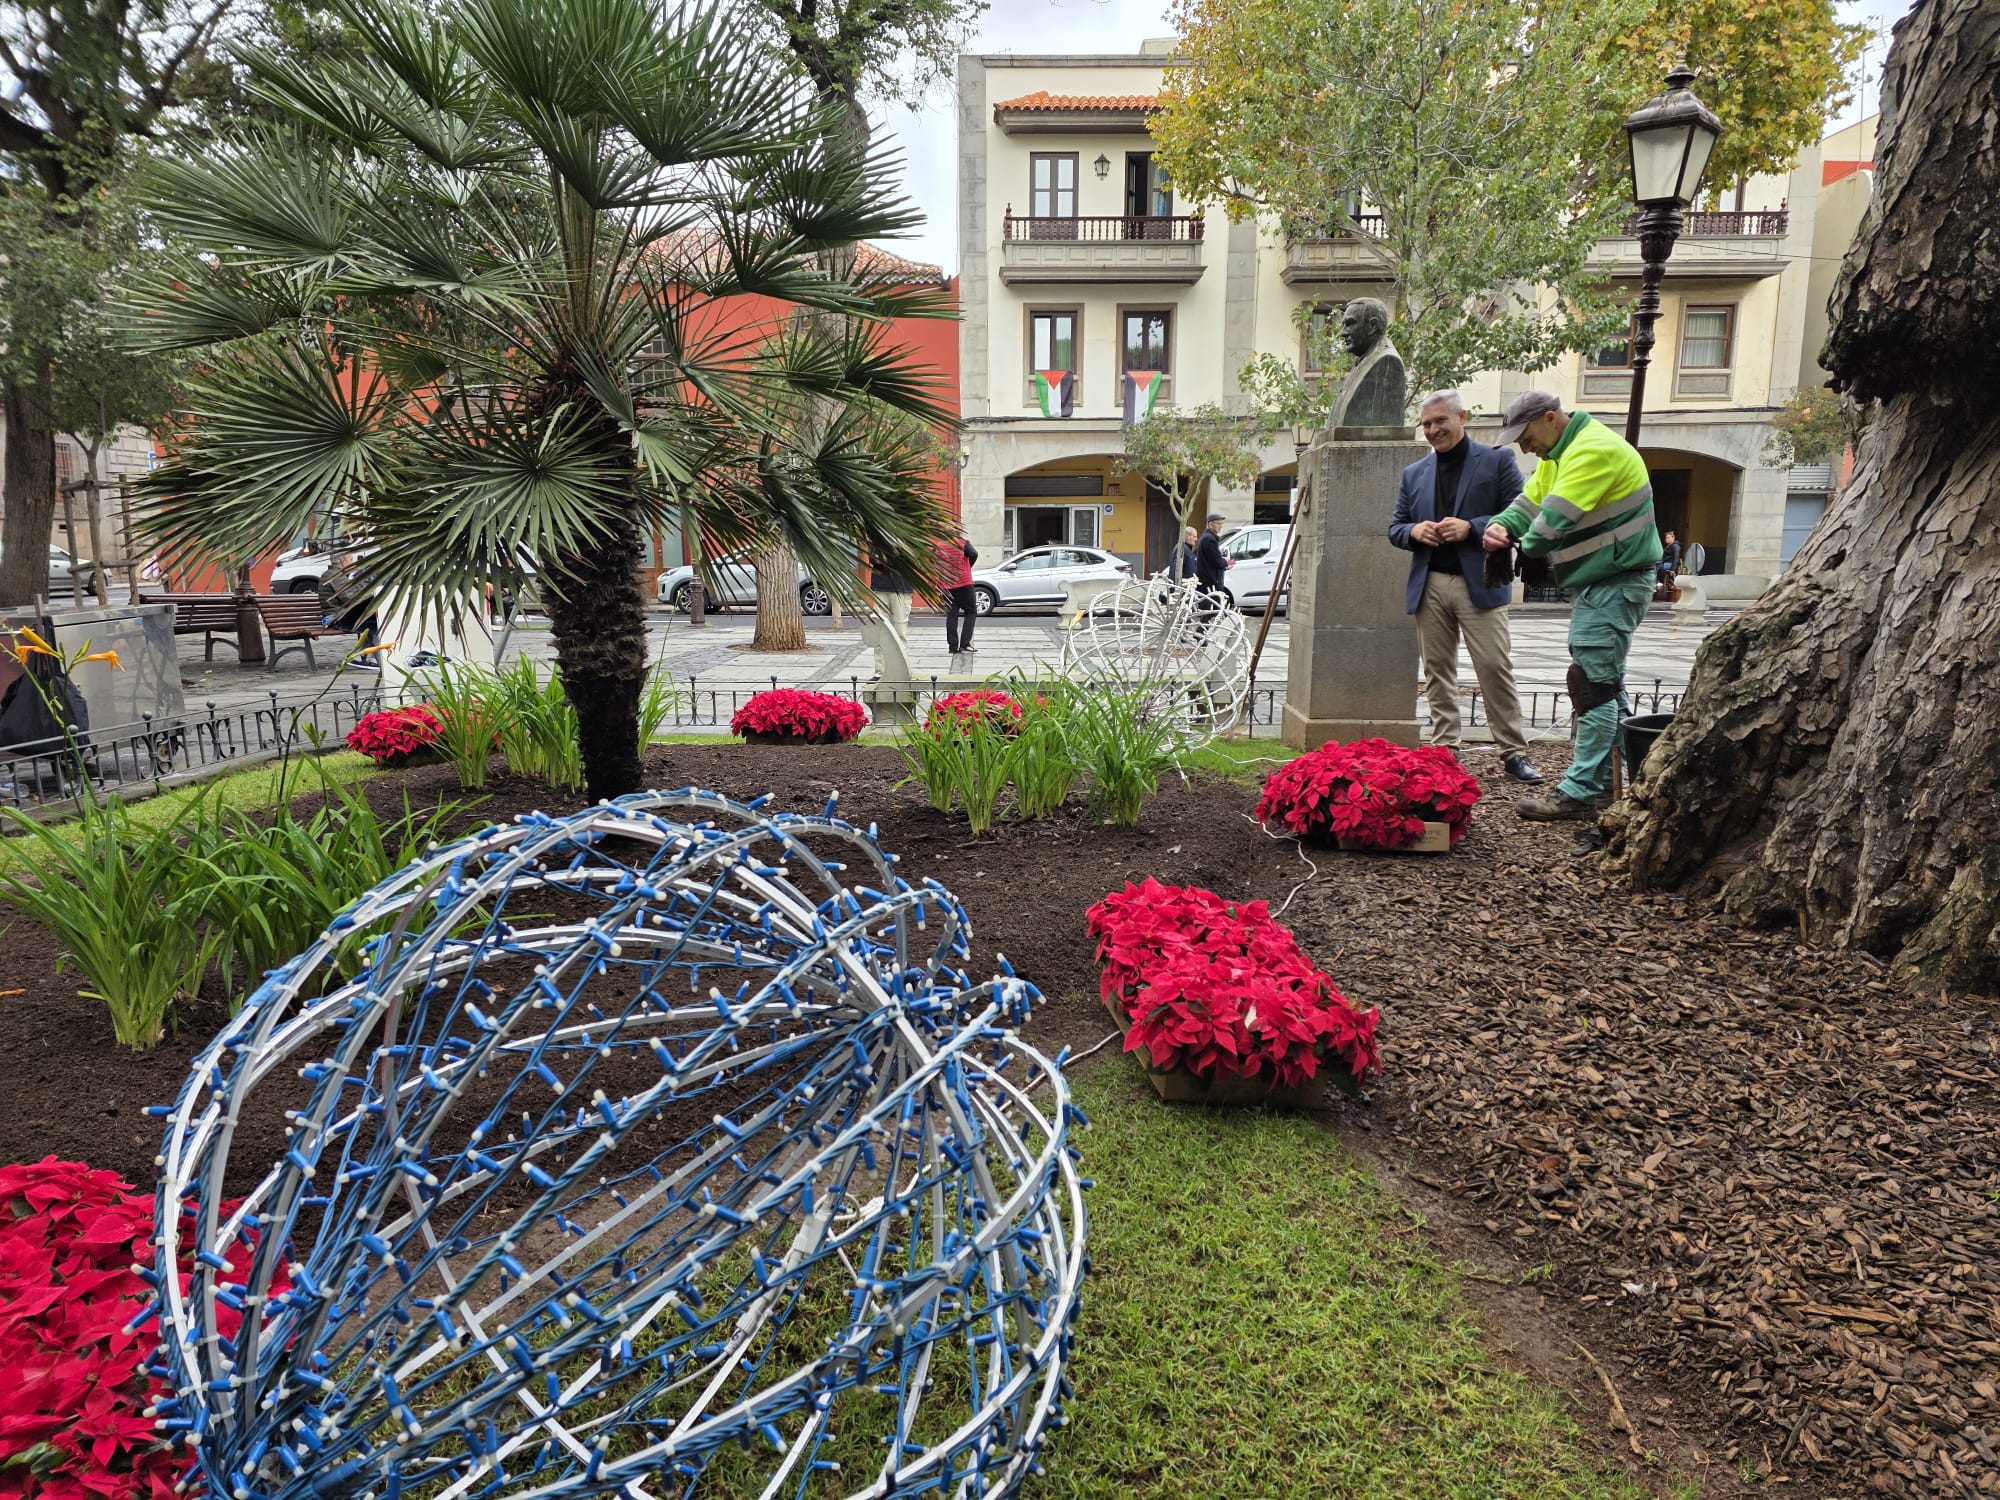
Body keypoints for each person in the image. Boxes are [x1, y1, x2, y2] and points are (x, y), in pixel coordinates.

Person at [1482, 390, 1661, 820]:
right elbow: (1529, 503)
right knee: (1605, 688)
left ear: (1549, 418)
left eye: (1525, 436)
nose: (1524, 447)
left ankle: (1580, 793)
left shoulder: (1593, 450)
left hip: (1616, 581)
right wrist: (1500, 526)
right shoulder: (1558, 457)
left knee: (1592, 687)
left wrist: (1518, 543)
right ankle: (1621, 782)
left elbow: (1551, 521)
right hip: (1603, 583)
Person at [1389, 389, 1540, 783]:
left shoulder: (1497, 460)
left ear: (1462, 417)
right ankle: (1445, 748)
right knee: (1438, 670)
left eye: (1440, 421)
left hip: (1481, 582)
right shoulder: (1413, 473)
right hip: (1431, 583)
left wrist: (1471, 527)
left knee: (1493, 666)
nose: (1433, 430)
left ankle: (1513, 751)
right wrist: (1414, 530)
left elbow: (1520, 512)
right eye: (1426, 424)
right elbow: (1394, 527)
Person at [937, 532, 978, 656]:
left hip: (946, 584)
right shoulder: (962, 543)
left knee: (952, 614)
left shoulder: (939, 545)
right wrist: (967, 566)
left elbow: (933, 562)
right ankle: (965, 643)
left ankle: (953, 646)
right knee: (971, 611)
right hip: (963, 582)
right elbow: (974, 554)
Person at [1193, 513, 1232, 624]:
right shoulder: (1209, 539)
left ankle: (1202, 633)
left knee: (1211, 608)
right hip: (1211, 581)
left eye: (1221, 524)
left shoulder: (1208, 537)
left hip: (1208, 579)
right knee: (1212, 609)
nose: (1220, 526)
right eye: (1218, 524)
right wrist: (1225, 562)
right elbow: (1216, 560)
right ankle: (1201, 634)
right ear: (1210, 524)